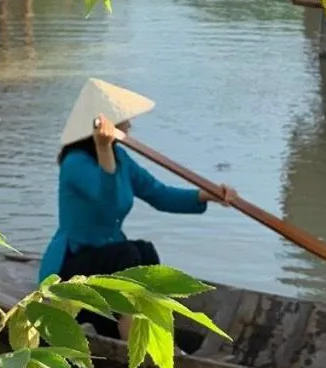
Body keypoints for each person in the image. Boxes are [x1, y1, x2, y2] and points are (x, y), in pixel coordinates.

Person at [39, 78, 235, 341]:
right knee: (129, 254)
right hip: (71, 268)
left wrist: (206, 195)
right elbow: (105, 199)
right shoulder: (75, 164)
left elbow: (159, 194)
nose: (129, 126)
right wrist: (103, 147)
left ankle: (149, 325)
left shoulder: (122, 159)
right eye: (123, 120)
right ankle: (130, 334)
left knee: (145, 251)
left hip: (106, 263)